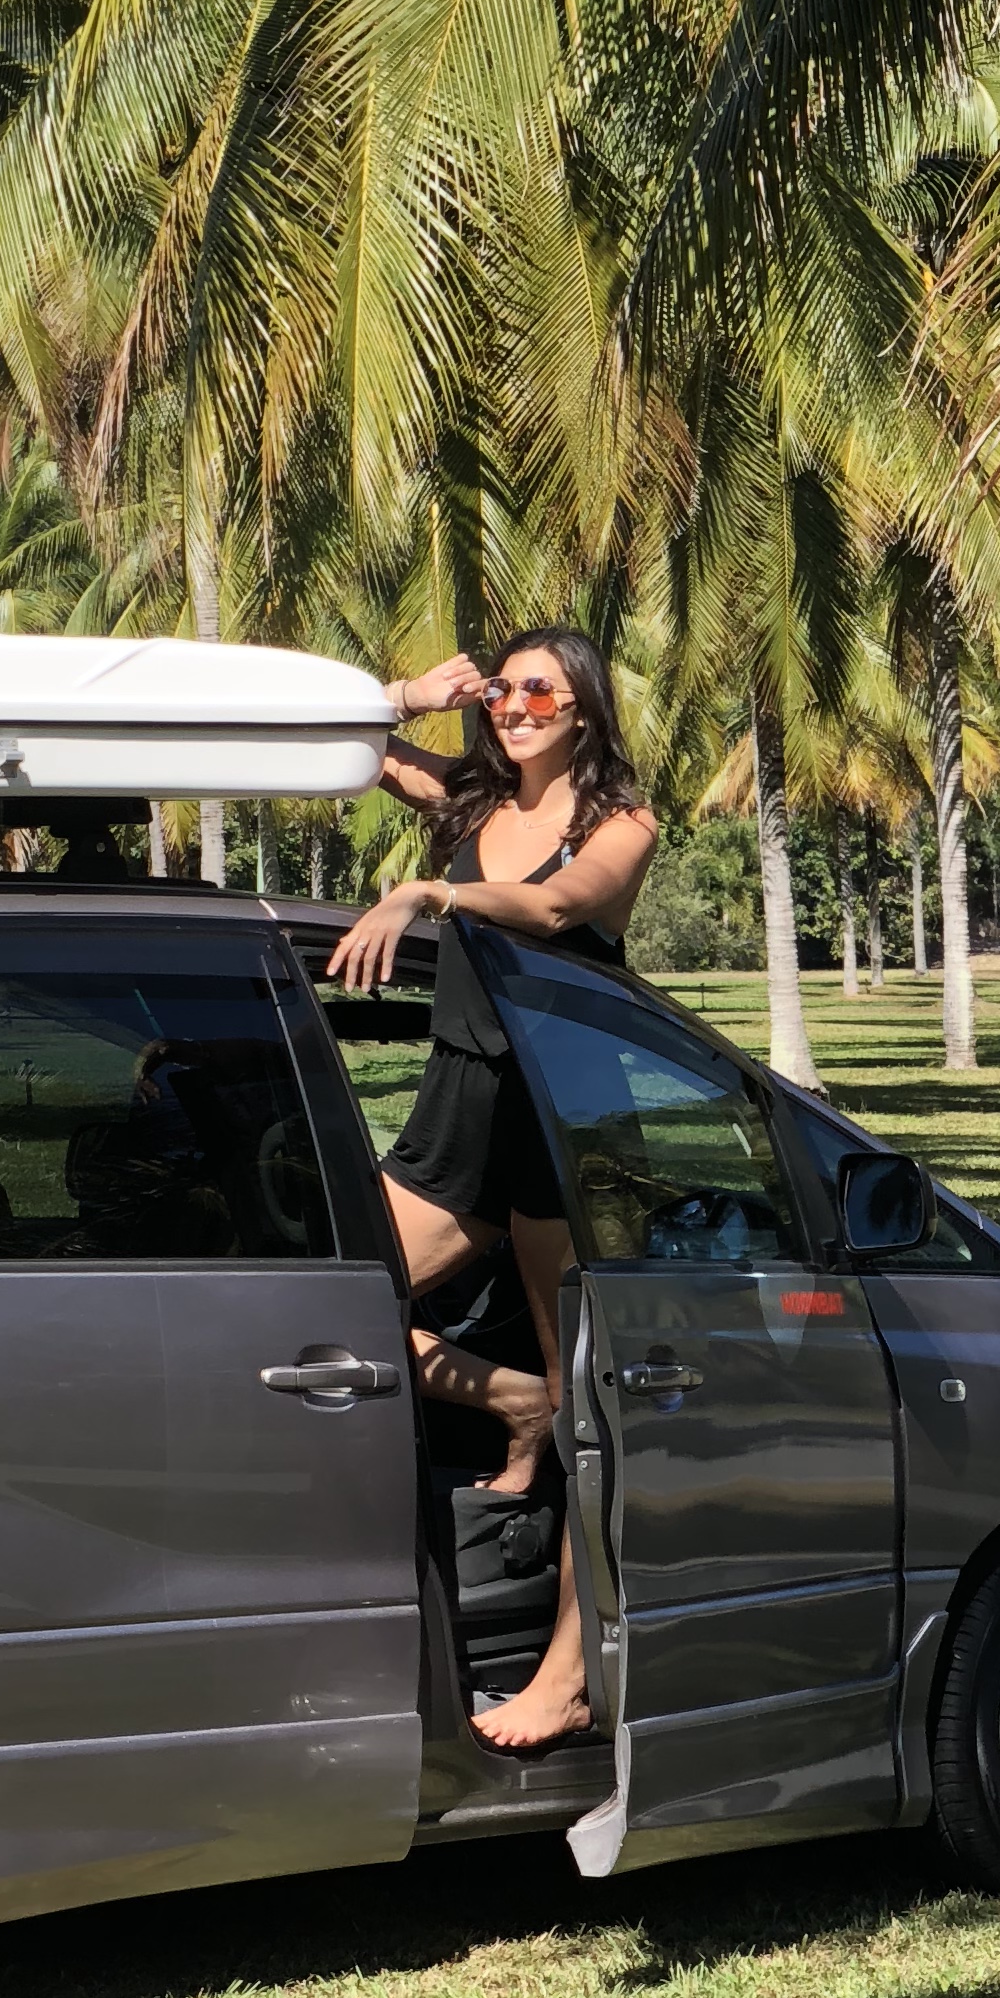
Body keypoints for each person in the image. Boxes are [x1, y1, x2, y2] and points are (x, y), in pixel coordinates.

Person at [329, 626, 657, 1750]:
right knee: (330, 1297)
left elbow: (563, 909)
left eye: (539, 691)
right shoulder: (469, 807)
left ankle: (567, 1672)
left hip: (561, 1122)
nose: (515, 705)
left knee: (593, 1411)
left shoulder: (620, 824)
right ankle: (501, 1400)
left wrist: (430, 895)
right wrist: (407, 692)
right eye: (504, 688)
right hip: (460, 1105)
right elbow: (339, 740)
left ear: (580, 712)